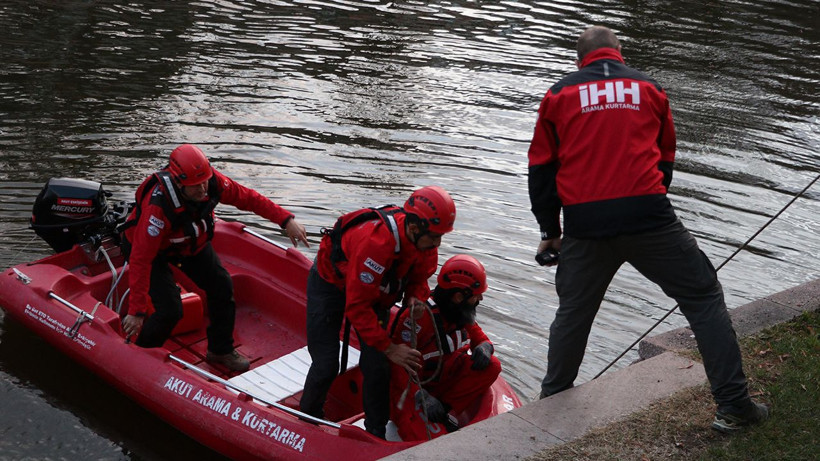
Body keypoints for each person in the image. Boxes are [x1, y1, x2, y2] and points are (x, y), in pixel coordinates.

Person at [527, 26, 768, 433]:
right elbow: (666, 156)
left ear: (578, 59)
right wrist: (648, 202)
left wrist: (551, 229)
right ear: (620, 53)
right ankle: (733, 407)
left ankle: (550, 401)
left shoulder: (558, 95)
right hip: (649, 216)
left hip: (585, 225)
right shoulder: (649, 88)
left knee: (574, 312)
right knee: (703, 295)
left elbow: (541, 168)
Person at [121, 144, 309, 372]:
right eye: (195, 186)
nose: (202, 189)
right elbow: (142, 258)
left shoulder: (211, 182)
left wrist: (285, 220)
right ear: (179, 183)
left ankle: (220, 350)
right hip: (153, 252)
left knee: (222, 285)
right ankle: (141, 354)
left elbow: (249, 198)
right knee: (170, 310)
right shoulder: (157, 207)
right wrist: (136, 311)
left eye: (204, 182)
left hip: (188, 244)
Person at [299, 186, 456, 439]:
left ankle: (375, 431)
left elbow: (420, 278)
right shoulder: (376, 244)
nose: (438, 244)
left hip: (375, 293)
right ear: (415, 229)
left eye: (441, 237)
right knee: (326, 362)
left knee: (377, 364)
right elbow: (357, 307)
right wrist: (391, 348)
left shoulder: (426, 244)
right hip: (330, 284)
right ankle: (308, 418)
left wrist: (416, 298)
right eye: (435, 237)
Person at [388, 254, 500, 441]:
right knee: (431, 440)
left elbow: (479, 336)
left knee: (492, 366)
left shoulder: (459, 313)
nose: (480, 298)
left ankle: (445, 410)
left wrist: (485, 347)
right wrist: (419, 395)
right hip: (412, 392)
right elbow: (397, 365)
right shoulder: (418, 317)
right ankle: (423, 417)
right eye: (476, 294)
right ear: (458, 296)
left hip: (440, 385)